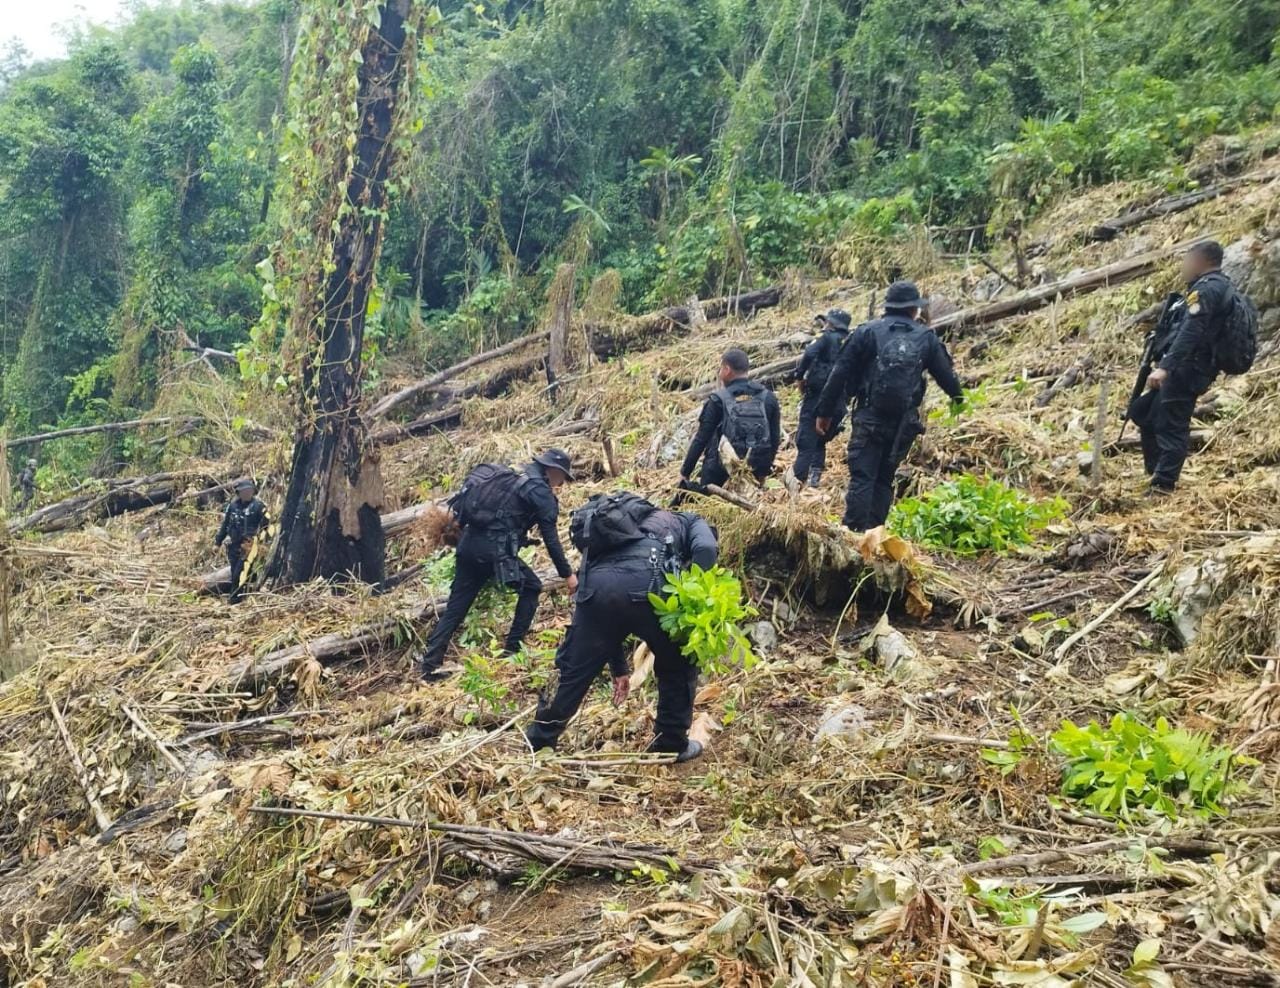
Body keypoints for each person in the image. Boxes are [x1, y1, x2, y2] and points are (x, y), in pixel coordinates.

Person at [525, 492, 719, 762]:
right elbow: (707, 550)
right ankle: (670, 744)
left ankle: (539, 741)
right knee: (678, 663)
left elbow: (611, 616)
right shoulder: (690, 521)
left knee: (573, 670)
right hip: (653, 589)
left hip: (597, 591)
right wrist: (694, 602)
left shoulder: (616, 530)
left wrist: (619, 668)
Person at [418, 449, 578, 681]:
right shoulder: (540, 492)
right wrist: (568, 575)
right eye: (562, 478)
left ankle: (430, 667)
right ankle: (512, 651)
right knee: (532, 587)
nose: (561, 484)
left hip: (468, 544)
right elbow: (552, 540)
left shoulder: (511, 472)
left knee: (456, 607)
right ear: (554, 471)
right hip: (495, 553)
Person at [816, 281, 964, 531]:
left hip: (869, 417)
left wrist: (824, 413)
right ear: (914, 310)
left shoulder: (867, 332)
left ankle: (854, 535)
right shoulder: (926, 338)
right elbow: (948, 378)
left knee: (863, 477)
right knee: (884, 478)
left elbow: (839, 374)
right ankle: (875, 535)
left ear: (888, 307)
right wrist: (959, 400)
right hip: (903, 424)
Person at [1133, 241, 1237, 495]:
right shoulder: (1213, 287)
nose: (1184, 267)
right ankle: (1155, 472)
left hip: (1187, 369)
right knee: (1147, 413)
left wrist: (1165, 367)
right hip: (1186, 366)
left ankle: (1163, 485)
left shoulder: (1207, 290)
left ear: (1201, 262)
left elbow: (1192, 332)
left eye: (1188, 261)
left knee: (1172, 424)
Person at [679, 349, 781, 489]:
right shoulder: (768, 397)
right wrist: (763, 471)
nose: (719, 373)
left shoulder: (718, 400)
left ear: (727, 370)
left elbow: (701, 439)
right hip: (755, 469)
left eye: (720, 368)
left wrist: (685, 472)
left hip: (719, 472)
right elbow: (774, 439)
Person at [789, 309, 852, 490]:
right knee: (820, 438)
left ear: (830, 323)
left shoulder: (825, 338)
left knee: (806, 440)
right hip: (840, 400)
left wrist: (799, 376)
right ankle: (815, 476)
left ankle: (797, 482)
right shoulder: (851, 341)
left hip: (817, 396)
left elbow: (809, 354)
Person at [214, 478, 269, 603]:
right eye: (244, 491)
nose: (247, 493)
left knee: (240, 571)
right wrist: (218, 542)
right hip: (234, 545)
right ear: (239, 493)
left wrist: (261, 542)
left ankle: (233, 600)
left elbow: (267, 526)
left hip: (249, 545)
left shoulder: (258, 506)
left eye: (249, 491)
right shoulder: (232, 506)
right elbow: (225, 525)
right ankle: (241, 595)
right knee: (235, 572)